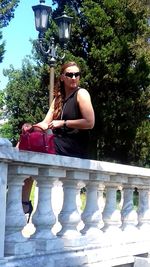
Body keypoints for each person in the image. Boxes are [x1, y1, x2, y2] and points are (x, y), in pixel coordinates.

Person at [21, 61, 95, 221]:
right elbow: (45, 123)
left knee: (30, 148)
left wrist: (64, 123)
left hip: (74, 146)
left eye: (77, 74)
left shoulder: (82, 93)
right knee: (24, 143)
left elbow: (90, 122)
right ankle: (24, 201)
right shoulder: (59, 99)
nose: (74, 77)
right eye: (69, 74)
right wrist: (31, 127)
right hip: (58, 142)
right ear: (62, 77)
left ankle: (24, 203)